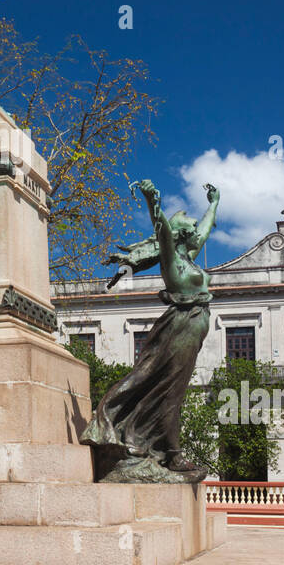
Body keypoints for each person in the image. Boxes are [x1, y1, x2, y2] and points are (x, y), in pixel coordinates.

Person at [83, 180, 219, 482]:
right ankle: (171, 455)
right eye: (191, 224)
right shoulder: (173, 262)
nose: (197, 227)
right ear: (181, 233)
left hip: (192, 329)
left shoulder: (189, 257)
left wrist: (214, 203)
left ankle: (157, 448)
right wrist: (153, 203)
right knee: (170, 392)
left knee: (170, 392)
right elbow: (162, 231)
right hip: (180, 328)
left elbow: (207, 228)